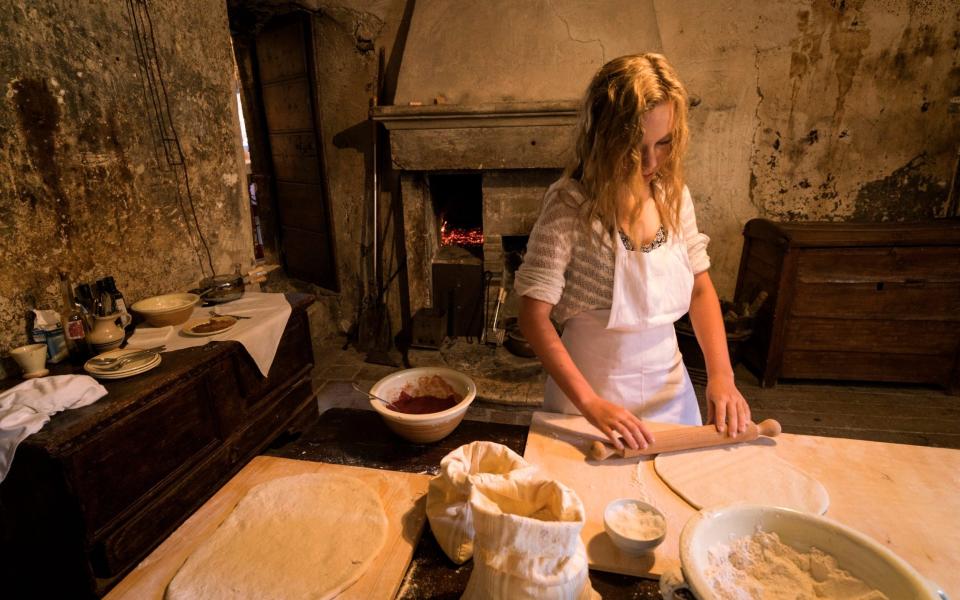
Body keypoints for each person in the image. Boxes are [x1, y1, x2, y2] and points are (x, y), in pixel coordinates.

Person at [515, 53, 750, 452]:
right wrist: (590, 404)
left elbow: (699, 289)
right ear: (604, 137)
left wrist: (722, 376)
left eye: (664, 143)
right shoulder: (570, 205)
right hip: (588, 402)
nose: (651, 161)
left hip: (671, 399)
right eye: (634, 146)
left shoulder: (673, 196)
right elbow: (532, 316)